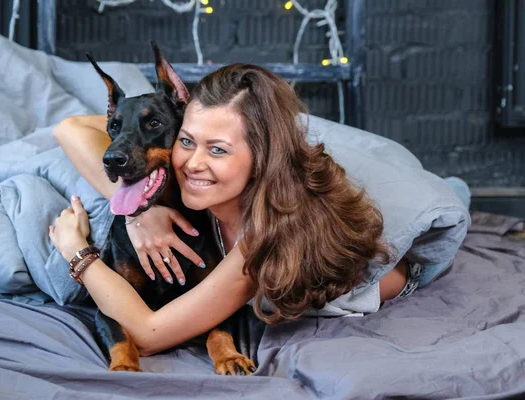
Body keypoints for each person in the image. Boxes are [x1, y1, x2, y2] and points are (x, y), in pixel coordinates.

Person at [49, 63, 410, 357]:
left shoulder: (262, 239)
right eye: (187, 141)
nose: (192, 163)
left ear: (262, 160)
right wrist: (140, 211)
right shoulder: (202, 188)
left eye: (217, 150)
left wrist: (75, 250)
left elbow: (147, 334)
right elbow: (71, 127)